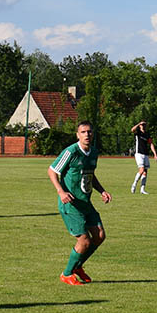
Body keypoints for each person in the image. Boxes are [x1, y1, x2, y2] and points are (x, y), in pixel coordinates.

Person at [47, 121, 111, 286]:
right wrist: (61, 191)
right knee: (84, 241)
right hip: (71, 204)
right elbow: (52, 171)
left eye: (89, 132)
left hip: (85, 203)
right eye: (83, 132)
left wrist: (102, 191)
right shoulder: (71, 152)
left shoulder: (93, 152)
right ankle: (67, 273)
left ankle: (78, 267)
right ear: (77, 135)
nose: (87, 135)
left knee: (99, 236)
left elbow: (90, 175)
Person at [130, 120, 157, 195]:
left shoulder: (147, 134)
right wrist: (139, 123)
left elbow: (151, 144)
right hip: (139, 153)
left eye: (144, 125)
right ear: (140, 125)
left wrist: (155, 154)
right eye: (142, 125)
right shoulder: (138, 132)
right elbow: (132, 130)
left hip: (145, 154)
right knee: (141, 170)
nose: (143, 126)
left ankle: (142, 189)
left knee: (145, 172)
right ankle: (134, 185)